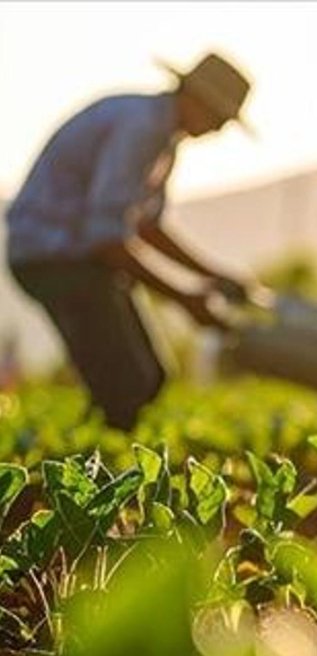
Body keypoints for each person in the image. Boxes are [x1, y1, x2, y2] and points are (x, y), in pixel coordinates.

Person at [6, 53, 253, 429]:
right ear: (195, 98)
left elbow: (145, 226)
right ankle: (88, 455)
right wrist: (185, 300)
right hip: (51, 256)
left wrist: (213, 275)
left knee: (148, 379)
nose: (218, 129)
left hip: (75, 257)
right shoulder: (142, 128)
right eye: (218, 117)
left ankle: (91, 446)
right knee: (129, 384)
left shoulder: (162, 137)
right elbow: (107, 240)